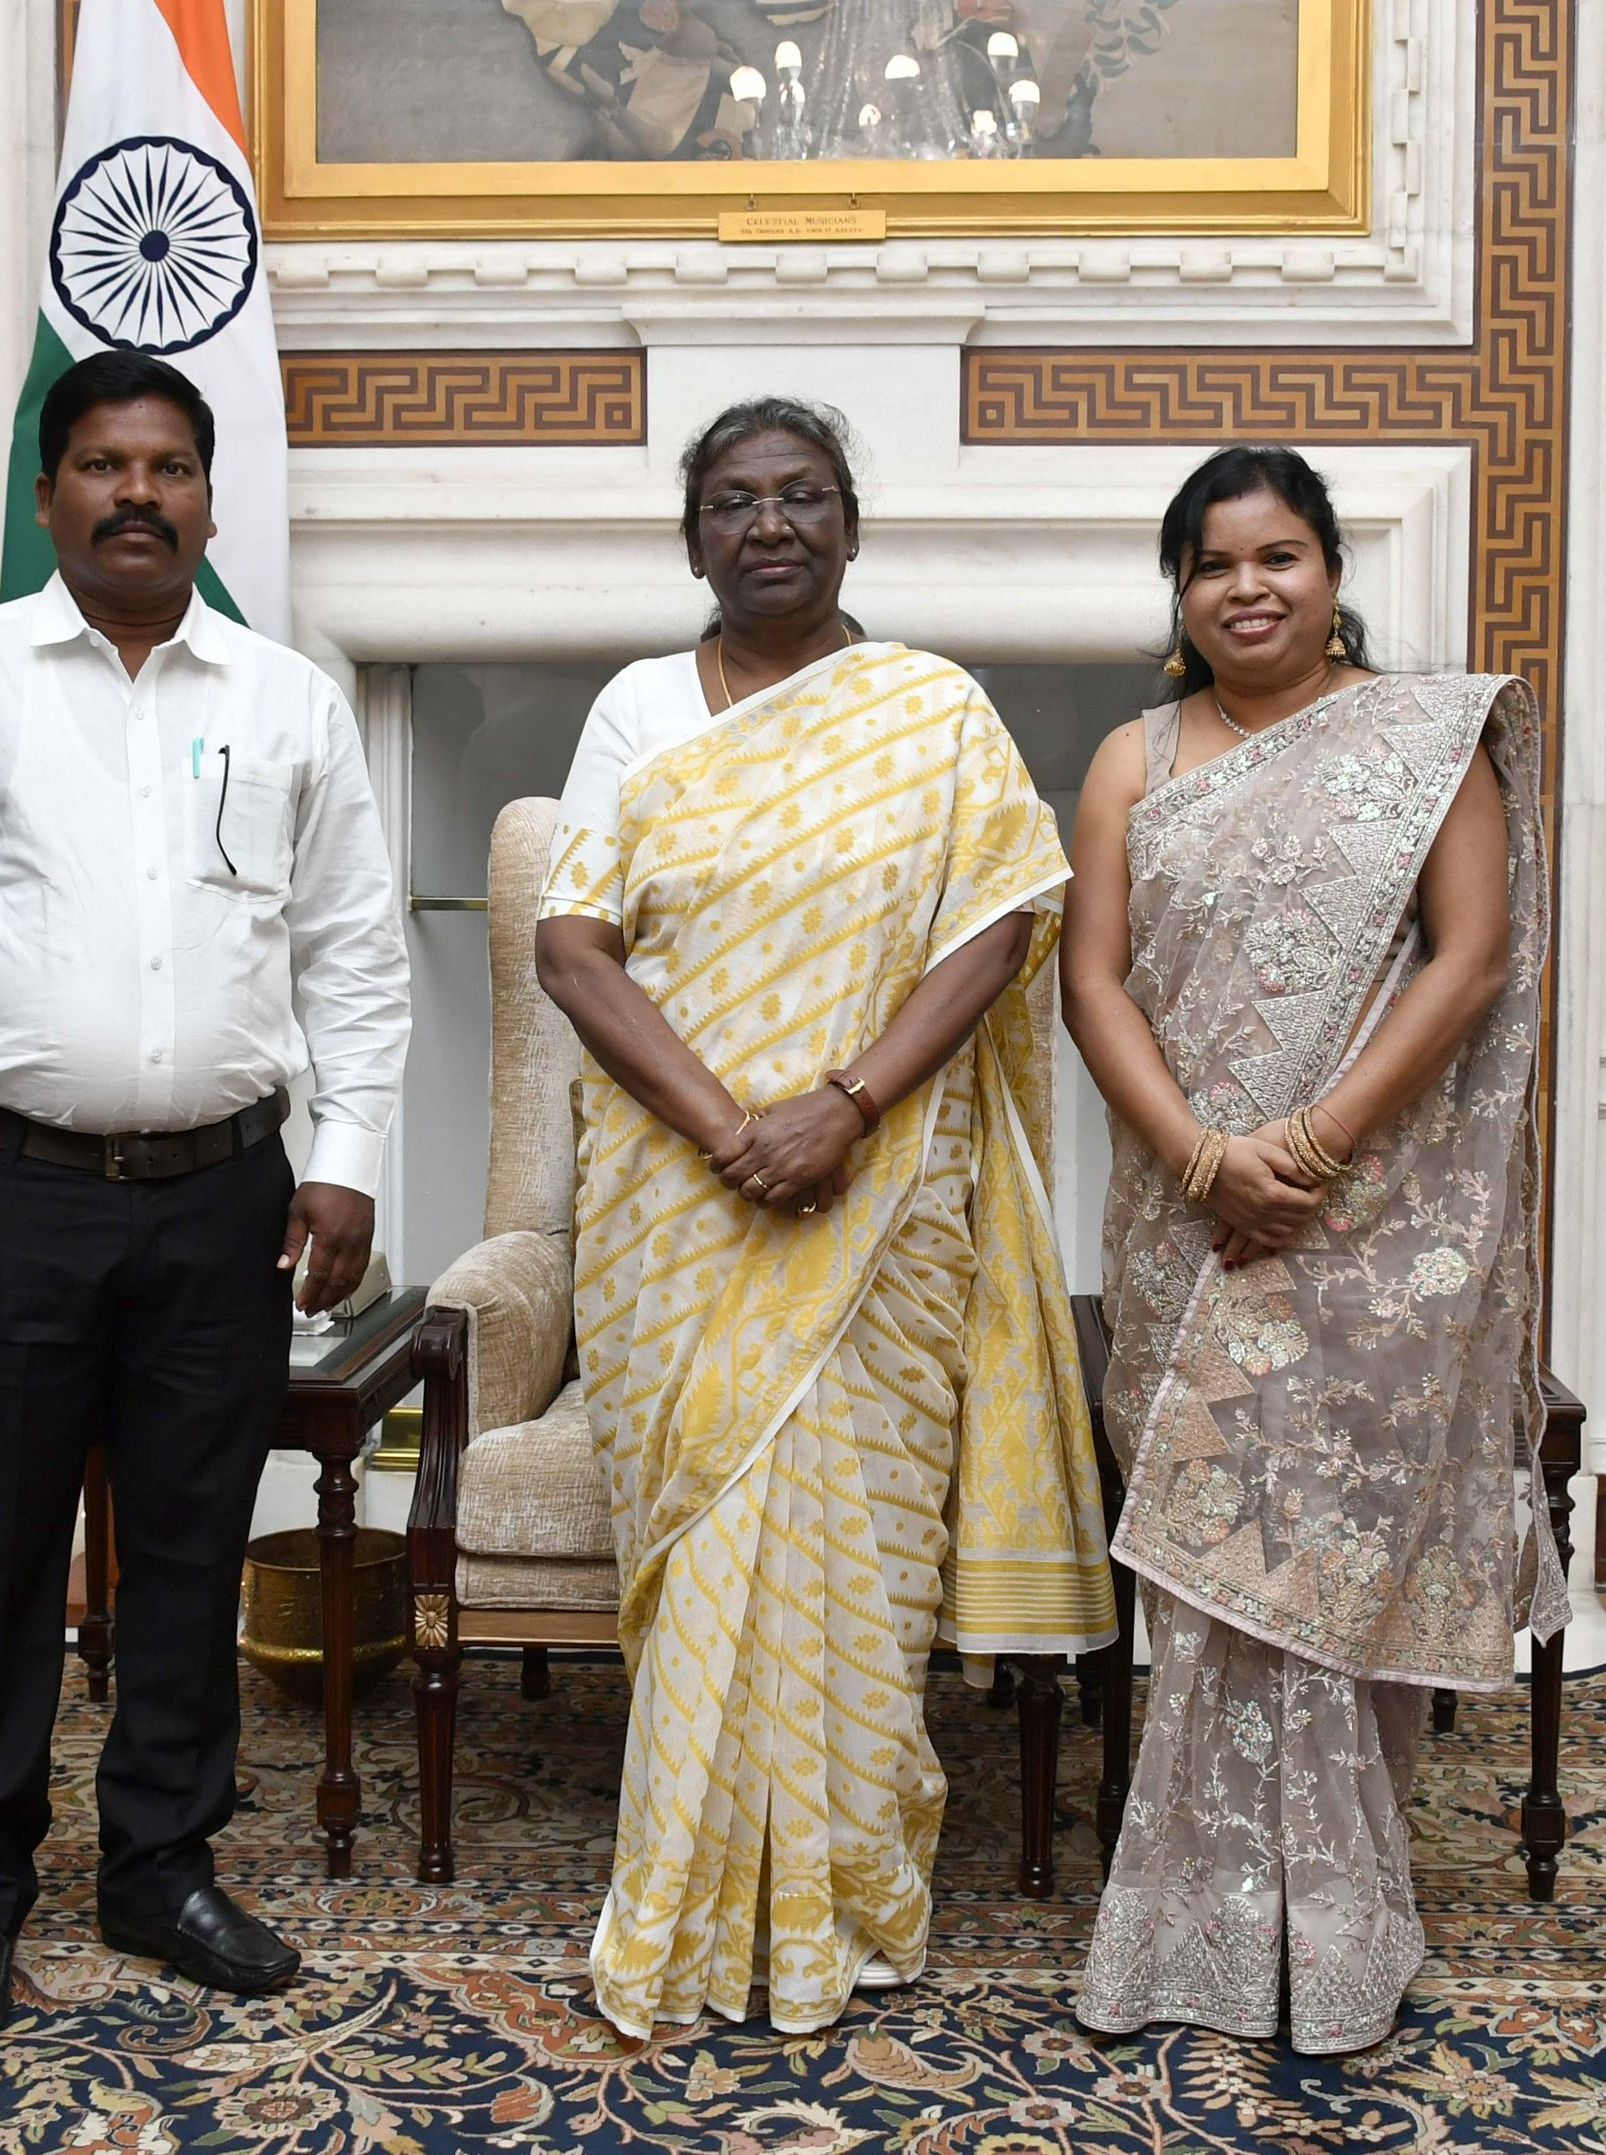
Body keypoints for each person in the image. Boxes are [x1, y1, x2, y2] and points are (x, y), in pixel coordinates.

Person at [0, 349, 410, 2043]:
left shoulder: (289, 699)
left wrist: (346, 1160)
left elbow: (353, 951)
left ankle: (161, 1865)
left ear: (211, 502)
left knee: (186, 1545)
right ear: (49, 496)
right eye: (103, 465)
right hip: (2, 1193)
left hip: (225, 1195)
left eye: (170, 468)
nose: (138, 494)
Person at [534, 395, 1114, 2041]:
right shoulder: (640, 709)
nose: (769, 523)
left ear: (851, 523)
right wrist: (733, 1128)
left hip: (884, 1187)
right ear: (694, 539)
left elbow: (999, 924)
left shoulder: (933, 710)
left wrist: (846, 1104)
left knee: (860, 1559)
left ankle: (842, 1904)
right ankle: (685, 1907)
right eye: (733, 500)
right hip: (676, 1203)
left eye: (801, 494)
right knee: (710, 1541)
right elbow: (574, 946)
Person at [1063, 444, 1562, 2055]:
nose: (1247, 589)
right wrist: (1204, 1158)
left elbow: (1471, 958)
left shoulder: (1424, 743)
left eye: (1277, 556)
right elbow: (1093, 982)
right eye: (1213, 565)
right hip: (1187, 1218)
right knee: (1215, 1559)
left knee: (1328, 1558)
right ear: (1181, 593)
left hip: (1365, 1224)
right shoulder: (1133, 759)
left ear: (1333, 573)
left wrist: (1317, 1146)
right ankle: (1203, 1917)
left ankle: (1336, 1917)